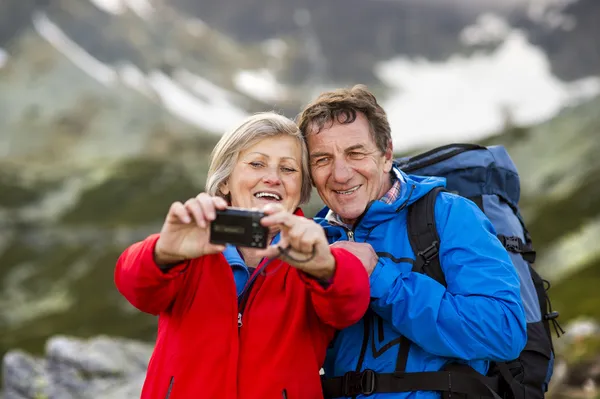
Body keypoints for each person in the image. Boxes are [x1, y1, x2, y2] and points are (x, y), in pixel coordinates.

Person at [114, 112, 371, 399]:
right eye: (257, 164)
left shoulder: (316, 252)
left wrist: (325, 267)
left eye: (288, 169)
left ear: (300, 192)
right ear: (225, 182)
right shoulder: (188, 245)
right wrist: (163, 253)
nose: (272, 178)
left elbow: (349, 305)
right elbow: (133, 285)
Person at [295, 85, 528, 399]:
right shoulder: (313, 239)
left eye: (355, 153)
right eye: (322, 159)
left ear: (386, 154)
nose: (340, 174)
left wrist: (381, 279)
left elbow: (503, 331)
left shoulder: (449, 215)